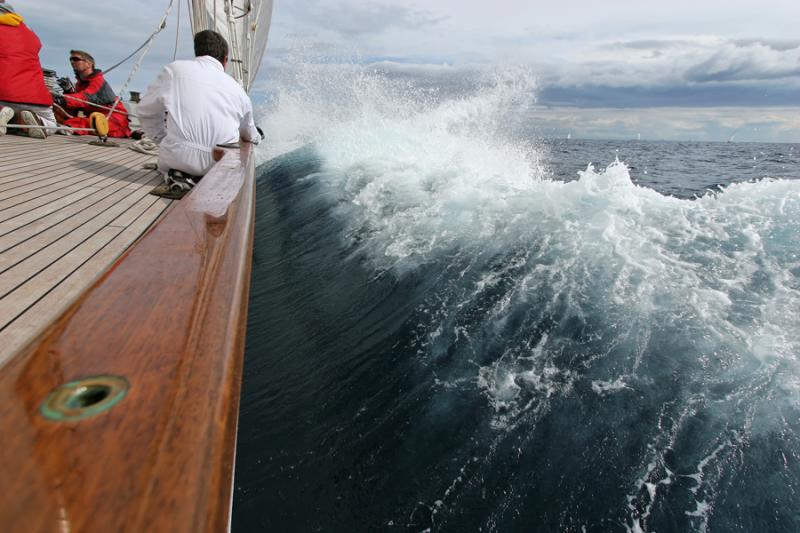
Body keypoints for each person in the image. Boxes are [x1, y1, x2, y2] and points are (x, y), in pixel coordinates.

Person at [137, 30, 262, 196]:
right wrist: (258, 137)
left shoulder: (175, 71)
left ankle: (179, 176)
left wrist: (161, 139)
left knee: (172, 159)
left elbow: (145, 111)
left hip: (178, 158)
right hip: (219, 163)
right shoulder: (238, 91)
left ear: (198, 52)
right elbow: (249, 133)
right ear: (225, 60)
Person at [0, 2, 57, 139]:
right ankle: (29, 119)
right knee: (51, 125)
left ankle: (4, 112)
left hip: (2, 93)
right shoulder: (27, 30)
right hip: (34, 96)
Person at [54, 50, 131, 138]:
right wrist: (68, 92)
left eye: (76, 59)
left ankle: (67, 128)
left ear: (89, 64)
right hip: (97, 118)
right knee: (58, 111)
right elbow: (79, 104)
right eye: (71, 59)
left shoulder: (97, 81)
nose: (72, 62)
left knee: (81, 122)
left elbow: (85, 98)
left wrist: (62, 98)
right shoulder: (80, 84)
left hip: (114, 120)